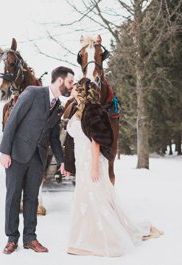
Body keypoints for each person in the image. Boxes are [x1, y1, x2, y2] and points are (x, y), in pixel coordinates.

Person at [66, 78, 163, 257]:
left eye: (74, 88)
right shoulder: (77, 109)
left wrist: (94, 167)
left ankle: (111, 239)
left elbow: (96, 141)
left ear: (81, 91)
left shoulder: (93, 110)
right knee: (86, 200)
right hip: (82, 162)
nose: (71, 89)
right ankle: (87, 237)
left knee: (99, 199)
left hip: (92, 161)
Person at [0, 66, 74, 254]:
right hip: (16, 154)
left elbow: (54, 137)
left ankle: (30, 238)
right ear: (59, 81)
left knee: (32, 199)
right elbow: (13, 121)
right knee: (13, 196)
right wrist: (5, 151)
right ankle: (11, 239)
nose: (72, 86)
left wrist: (62, 160)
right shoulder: (32, 93)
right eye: (70, 82)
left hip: (37, 158)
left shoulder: (58, 107)